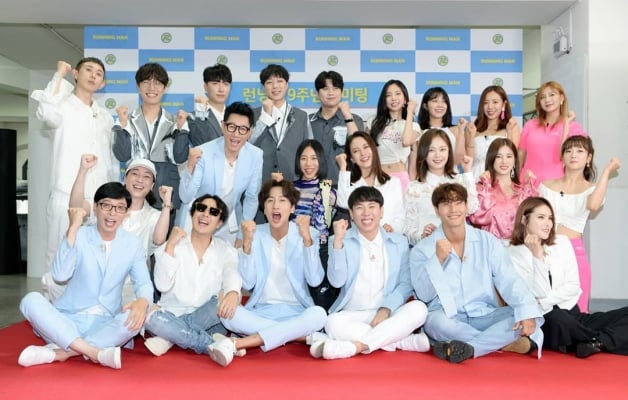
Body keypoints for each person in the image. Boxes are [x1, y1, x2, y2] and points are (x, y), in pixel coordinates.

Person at [18, 182, 154, 369]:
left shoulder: (132, 244)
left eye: (120, 208)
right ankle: (94, 352)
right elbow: (60, 275)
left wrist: (143, 301)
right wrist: (73, 228)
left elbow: (144, 282)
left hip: (105, 323)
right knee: (30, 300)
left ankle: (63, 352)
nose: (112, 213)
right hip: (68, 319)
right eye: (106, 205)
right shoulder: (79, 234)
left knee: (136, 315)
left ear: (126, 213)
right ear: (96, 207)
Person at [410, 183, 543, 363]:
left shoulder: (488, 241)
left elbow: (509, 280)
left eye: (458, 203)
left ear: (466, 206)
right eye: (446, 204)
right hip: (449, 318)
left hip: (485, 314)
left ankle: (472, 347)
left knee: (531, 314)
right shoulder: (421, 249)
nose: (453, 209)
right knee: (434, 323)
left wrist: (525, 311)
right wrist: (437, 260)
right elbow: (424, 295)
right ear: (436, 209)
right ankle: (501, 343)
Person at [207, 179, 327, 367]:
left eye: (282, 200)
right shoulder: (255, 233)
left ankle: (238, 343)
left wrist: (306, 241)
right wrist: (247, 244)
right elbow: (248, 283)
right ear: (264, 208)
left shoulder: (307, 232)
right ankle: (305, 337)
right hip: (262, 312)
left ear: (292, 208)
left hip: (297, 311)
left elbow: (315, 280)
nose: (275, 206)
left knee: (319, 314)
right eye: (270, 200)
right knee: (227, 314)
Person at [310, 187, 429, 360]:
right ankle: (400, 341)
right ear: (351, 214)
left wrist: (386, 309)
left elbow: (405, 283)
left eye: (372, 206)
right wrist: (338, 243)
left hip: (388, 313)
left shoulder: (399, 242)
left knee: (419, 309)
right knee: (332, 323)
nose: (366, 213)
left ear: (381, 211)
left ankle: (355, 346)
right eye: (359, 207)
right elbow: (336, 282)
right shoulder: (339, 240)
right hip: (352, 313)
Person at [509, 197, 628, 358]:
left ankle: (595, 342)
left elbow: (573, 286)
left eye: (550, 218)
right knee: (558, 318)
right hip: (545, 318)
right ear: (524, 219)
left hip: (573, 314)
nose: (548, 223)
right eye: (541, 217)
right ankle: (603, 340)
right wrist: (537, 255)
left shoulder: (562, 243)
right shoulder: (512, 253)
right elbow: (538, 292)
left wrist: (542, 301)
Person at [30, 58, 116, 273]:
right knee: (58, 255)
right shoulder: (62, 107)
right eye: (88, 70)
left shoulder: (104, 116)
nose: (93, 75)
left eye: (99, 73)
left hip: (97, 199)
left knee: (95, 259)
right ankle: (53, 296)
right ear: (76, 74)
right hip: (66, 195)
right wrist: (59, 74)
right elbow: (45, 112)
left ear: (102, 83)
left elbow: (109, 159)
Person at [143, 194, 242, 357]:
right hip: (171, 314)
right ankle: (212, 344)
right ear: (192, 213)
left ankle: (169, 338)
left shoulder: (226, 250)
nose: (205, 214)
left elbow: (232, 274)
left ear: (219, 223)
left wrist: (232, 292)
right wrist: (170, 246)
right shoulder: (173, 244)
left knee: (224, 302)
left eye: (213, 212)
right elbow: (161, 285)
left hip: (208, 318)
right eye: (201, 209)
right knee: (149, 316)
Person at [64, 156, 171, 304]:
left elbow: (159, 239)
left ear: (152, 185)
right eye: (135, 173)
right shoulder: (106, 204)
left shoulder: (155, 216)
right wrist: (83, 171)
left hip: (132, 292)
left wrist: (166, 204)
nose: (140, 180)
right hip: (96, 286)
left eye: (146, 176)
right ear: (125, 178)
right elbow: (76, 208)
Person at [539, 135, 621, 313]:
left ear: (589, 157)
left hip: (574, 252)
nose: (573, 155)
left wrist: (607, 171)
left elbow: (593, 205)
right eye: (568, 151)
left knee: (579, 310)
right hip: (546, 250)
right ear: (562, 157)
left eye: (579, 151)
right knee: (547, 308)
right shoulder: (545, 186)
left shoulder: (592, 189)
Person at [178, 102, 263, 247]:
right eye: (231, 127)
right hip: (197, 220)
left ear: (250, 132)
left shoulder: (255, 155)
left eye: (243, 129)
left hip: (227, 223)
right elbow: (185, 196)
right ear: (223, 126)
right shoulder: (203, 152)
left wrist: (242, 234)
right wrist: (190, 167)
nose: (236, 134)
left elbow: (252, 197)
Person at [112, 62, 190, 213]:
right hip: (135, 193)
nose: (152, 88)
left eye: (158, 83)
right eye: (146, 82)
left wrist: (182, 130)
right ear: (138, 86)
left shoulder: (175, 121)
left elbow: (180, 157)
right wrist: (123, 125)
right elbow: (122, 155)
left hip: (166, 194)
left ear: (165, 88)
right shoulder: (127, 120)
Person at [404, 129, 477, 245]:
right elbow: (408, 229)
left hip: (457, 246)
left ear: (449, 152)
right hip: (427, 248)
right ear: (423, 153)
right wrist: (422, 235)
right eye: (431, 150)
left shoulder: (459, 180)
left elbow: (472, 208)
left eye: (442, 149)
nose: (438, 155)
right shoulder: (414, 188)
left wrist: (468, 172)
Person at [291, 139, 339, 310]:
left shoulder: (328, 190)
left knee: (318, 304)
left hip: (318, 251)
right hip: (291, 249)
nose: (308, 164)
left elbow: (322, 226)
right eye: (304, 158)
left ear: (321, 161)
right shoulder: (288, 188)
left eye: (313, 158)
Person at [250, 64, 312, 184]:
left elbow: (309, 149)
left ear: (287, 85)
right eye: (269, 82)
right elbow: (248, 145)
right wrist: (265, 117)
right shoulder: (252, 115)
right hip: (261, 180)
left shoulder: (301, 116)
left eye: (280, 81)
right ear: (263, 87)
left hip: (293, 180)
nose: (275, 86)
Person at [519, 81, 587, 188]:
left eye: (552, 95)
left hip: (559, 188)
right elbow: (520, 157)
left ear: (561, 98)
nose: (547, 100)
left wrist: (566, 127)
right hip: (529, 187)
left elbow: (564, 156)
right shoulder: (530, 125)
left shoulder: (573, 127)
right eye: (542, 97)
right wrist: (518, 180)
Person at [467, 138, 537, 242]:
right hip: (491, 246)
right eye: (498, 156)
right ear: (491, 159)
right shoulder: (481, 188)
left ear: (515, 160)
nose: (504, 161)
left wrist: (529, 187)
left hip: (520, 246)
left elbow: (532, 219)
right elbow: (478, 218)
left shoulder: (522, 190)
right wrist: (487, 186)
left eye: (509, 156)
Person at [336, 131, 405, 233]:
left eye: (366, 147)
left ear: (373, 149)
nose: (363, 153)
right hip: (362, 240)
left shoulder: (393, 183)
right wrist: (343, 167)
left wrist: (392, 229)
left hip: (391, 238)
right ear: (352, 159)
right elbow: (342, 202)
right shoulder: (351, 186)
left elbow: (401, 217)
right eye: (356, 151)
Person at [309, 70, 364, 187]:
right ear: (317, 93)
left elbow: (359, 148)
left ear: (342, 92)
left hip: (345, 184)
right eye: (325, 89)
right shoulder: (307, 121)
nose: (330, 93)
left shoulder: (354, 120)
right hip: (313, 185)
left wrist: (347, 116)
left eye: (335, 88)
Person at [366, 79, 421, 189]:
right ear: (384, 100)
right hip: (378, 177)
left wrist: (410, 112)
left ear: (405, 99)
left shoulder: (413, 126)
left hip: (400, 179)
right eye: (388, 95)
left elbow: (406, 142)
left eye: (398, 94)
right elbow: (366, 151)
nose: (394, 98)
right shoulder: (373, 122)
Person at [466, 85, 520, 180]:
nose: (490, 107)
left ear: (504, 104)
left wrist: (509, 132)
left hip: (500, 180)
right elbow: (468, 160)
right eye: (486, 103)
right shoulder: (473, 128)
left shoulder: (511, 127)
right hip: (475, 178)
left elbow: (512, 159)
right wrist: (471, 136)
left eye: (495, 102)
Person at [417, 87, 466, 166]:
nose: (440, 105)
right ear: (425, 106)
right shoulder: (418, 131)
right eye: (435, 101)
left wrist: (461, 130)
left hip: (451, 173)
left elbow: (459, 160)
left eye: (444, 101)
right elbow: (417, 162)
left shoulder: (455, 130)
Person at [187, 63, 232, 146]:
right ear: (205, 86)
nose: (221, 89)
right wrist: (201, 112)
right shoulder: (194, 117)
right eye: (215, 83)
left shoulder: (235, 115)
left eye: (226, 84)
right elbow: (200, 142)